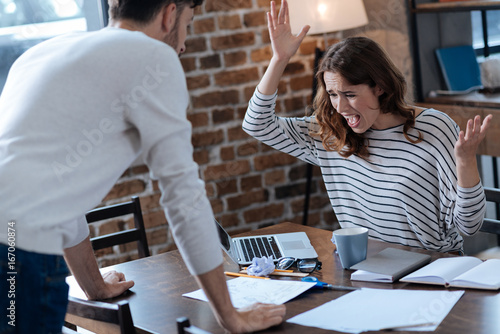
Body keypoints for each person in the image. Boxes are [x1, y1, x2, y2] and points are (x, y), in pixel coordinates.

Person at [0, 1, 285, 333]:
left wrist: (95, 287)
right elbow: (184, 198)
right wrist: (231, 316)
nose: (182, 45)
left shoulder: (42, 54)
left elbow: (52, 188)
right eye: (188, 25)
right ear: (168, 15)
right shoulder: (153, 57)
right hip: (21, 252)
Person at [244, 0, 492, 254]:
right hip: (368, 269)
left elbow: (469, 226)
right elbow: (257, 124)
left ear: (380, 86)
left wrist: (465, 162)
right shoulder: (332, 133)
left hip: (433, 269)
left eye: (350, 94)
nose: (340, 106)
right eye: (332, 94)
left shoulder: (433, 128)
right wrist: (279, 59)